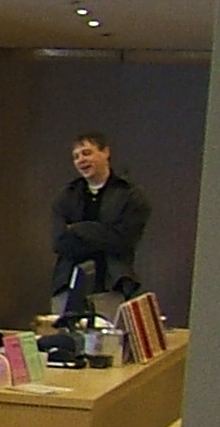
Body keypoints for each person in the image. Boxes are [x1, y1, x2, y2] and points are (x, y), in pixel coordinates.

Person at [50, 132, 150, 312]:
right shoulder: (66, 196)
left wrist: (79, 229)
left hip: (112, 285)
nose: (81, 160)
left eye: (87, 153)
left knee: (109, 340)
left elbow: (123, 241)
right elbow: (59, 243)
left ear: (106, 152)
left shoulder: (130, 195)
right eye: (76, 156)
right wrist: (103, 234)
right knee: (65, 339)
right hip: (68, 286)